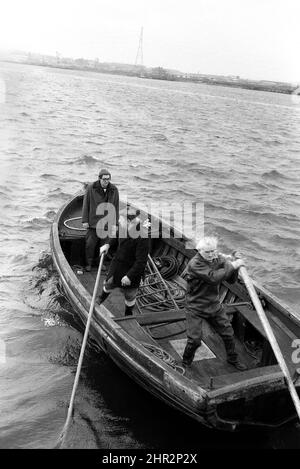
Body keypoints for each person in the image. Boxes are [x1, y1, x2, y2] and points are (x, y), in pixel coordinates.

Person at [182, 236, 247, 371]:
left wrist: (234, 265)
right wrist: (233, 265)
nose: (211, 254)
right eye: (207, 252)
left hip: (213, 305)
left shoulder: (218, 258)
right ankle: (186, 362)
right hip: (195, 307)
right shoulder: (195, 264)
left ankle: (232, 359)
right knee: (194, 340)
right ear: (199, 251)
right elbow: (213, 277)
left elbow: (231, 281)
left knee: (228, 333)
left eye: (213, 251)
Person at [97, 207, 150, 316]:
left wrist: (129, 276)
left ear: (130, 221)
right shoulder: (123, 227)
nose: (119, 221)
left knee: (130, 295)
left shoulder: (143, 237)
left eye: (121, 219)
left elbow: (141, 262)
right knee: (109, 283)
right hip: (117, 265)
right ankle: (100, 299)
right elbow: (115, 236)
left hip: (131, 271)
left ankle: (128, 313)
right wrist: (108, 244)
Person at [82, 169, 119, 272]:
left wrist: (115, 223)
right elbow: (86, 204)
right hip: (93, 222)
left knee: (104, 245)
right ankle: (88, 263)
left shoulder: (114, 189)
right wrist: (85, 220)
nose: (106, 181)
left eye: (108, 179)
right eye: (104, 179)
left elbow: (116, 207)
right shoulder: (91, 188)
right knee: (90, 245)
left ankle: (100, 263)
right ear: (99, 179)